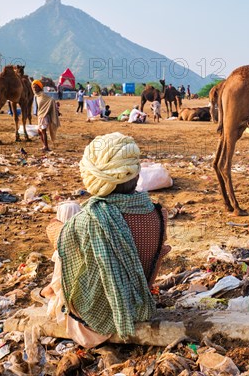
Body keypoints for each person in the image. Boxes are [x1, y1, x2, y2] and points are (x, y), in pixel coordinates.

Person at [43, 132, 170, 348]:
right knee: (74, 225)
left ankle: (54, 296)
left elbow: (55, 236)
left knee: (67, 211)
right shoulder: (159, 214)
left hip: (91, 322)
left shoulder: (85, 223)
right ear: (136, 174)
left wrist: (56, 224)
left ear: (94, 178)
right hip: (137, 305)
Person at [32, 80, 61, 152]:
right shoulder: (36, 96)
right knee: (39, 131)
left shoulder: (43, 96)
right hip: (40, 115)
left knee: (43, 131)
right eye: (33, 87)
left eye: (36, 87)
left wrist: (56, 109)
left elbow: (51, 100)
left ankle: (46, 147)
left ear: (40, 87)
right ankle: (44, 146)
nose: (35, 89)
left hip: (44, 116)